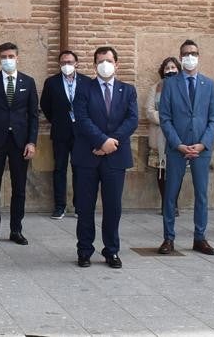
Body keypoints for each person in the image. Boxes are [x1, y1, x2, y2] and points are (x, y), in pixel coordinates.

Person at [73, 46, 137, 268]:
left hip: (115, 157)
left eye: (109, 60)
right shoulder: (83, 89)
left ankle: (111, 251)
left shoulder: (128, 91)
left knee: (113, 207)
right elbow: (81, 119)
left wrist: (112, 143)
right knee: (85, 206)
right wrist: (101, 141)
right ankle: (84, 250)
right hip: (88, 156)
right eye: (100, 61)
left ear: (117, 64)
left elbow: (132, 120)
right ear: (94, 65)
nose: (105, 64)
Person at [158, 39, 214, 256]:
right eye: (185, 54)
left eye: (193, 53)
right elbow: (165, 118)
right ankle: (168, 238)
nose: (190, 57)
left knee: (201, 194)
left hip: (201, 148)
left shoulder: (209, 84)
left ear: (199, 56)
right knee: (170, 194)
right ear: (181, 56)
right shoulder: (170, 84)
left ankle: (200, 238)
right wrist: (178, 144)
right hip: (178, 148)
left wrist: (203, 144)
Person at [0, 42, 39, 246]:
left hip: (20, 143)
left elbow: (33, 116)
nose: (7, 60)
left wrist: (32, 142)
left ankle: (16, 230)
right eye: (4, 56)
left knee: (19, 188)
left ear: (17, 57)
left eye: (11, 56)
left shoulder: (28, 82)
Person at [40, 50, 88, 220]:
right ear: (59, 64)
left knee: (79, 170)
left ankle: (79, 205)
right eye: (63, 62)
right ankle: (60, 206)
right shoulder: (51, 82)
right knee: (59, 169)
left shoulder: (87, 82)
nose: (66, 65)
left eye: (70, 61)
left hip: (81, 133)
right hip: (60, 131)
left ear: (77, 63)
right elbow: (45, 105)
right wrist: (57, 120)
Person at [144, 57, 180, 215]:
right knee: (162, 171)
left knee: (177, 171)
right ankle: (166, 204)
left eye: (173, 67)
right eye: (167, 68)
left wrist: (176, 122)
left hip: (178, 136)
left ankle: (175, 204)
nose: (170, 70)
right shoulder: (156, 88)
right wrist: (166, 120)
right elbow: (149, 111)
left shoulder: (183, 88)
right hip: (159, 135)